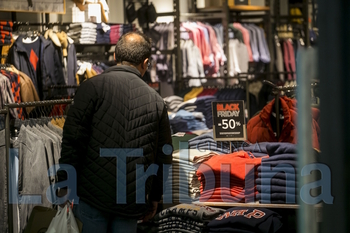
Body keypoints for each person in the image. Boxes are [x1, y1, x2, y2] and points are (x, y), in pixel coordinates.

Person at [57, 31, 173, 233]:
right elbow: (164, 154)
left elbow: (73, 141)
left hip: (92, 196)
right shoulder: (156, 101)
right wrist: (155, 197)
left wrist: (65, 184)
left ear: (115, 58)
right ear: (145, 63)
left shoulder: (90, 88)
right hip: (131, 199)